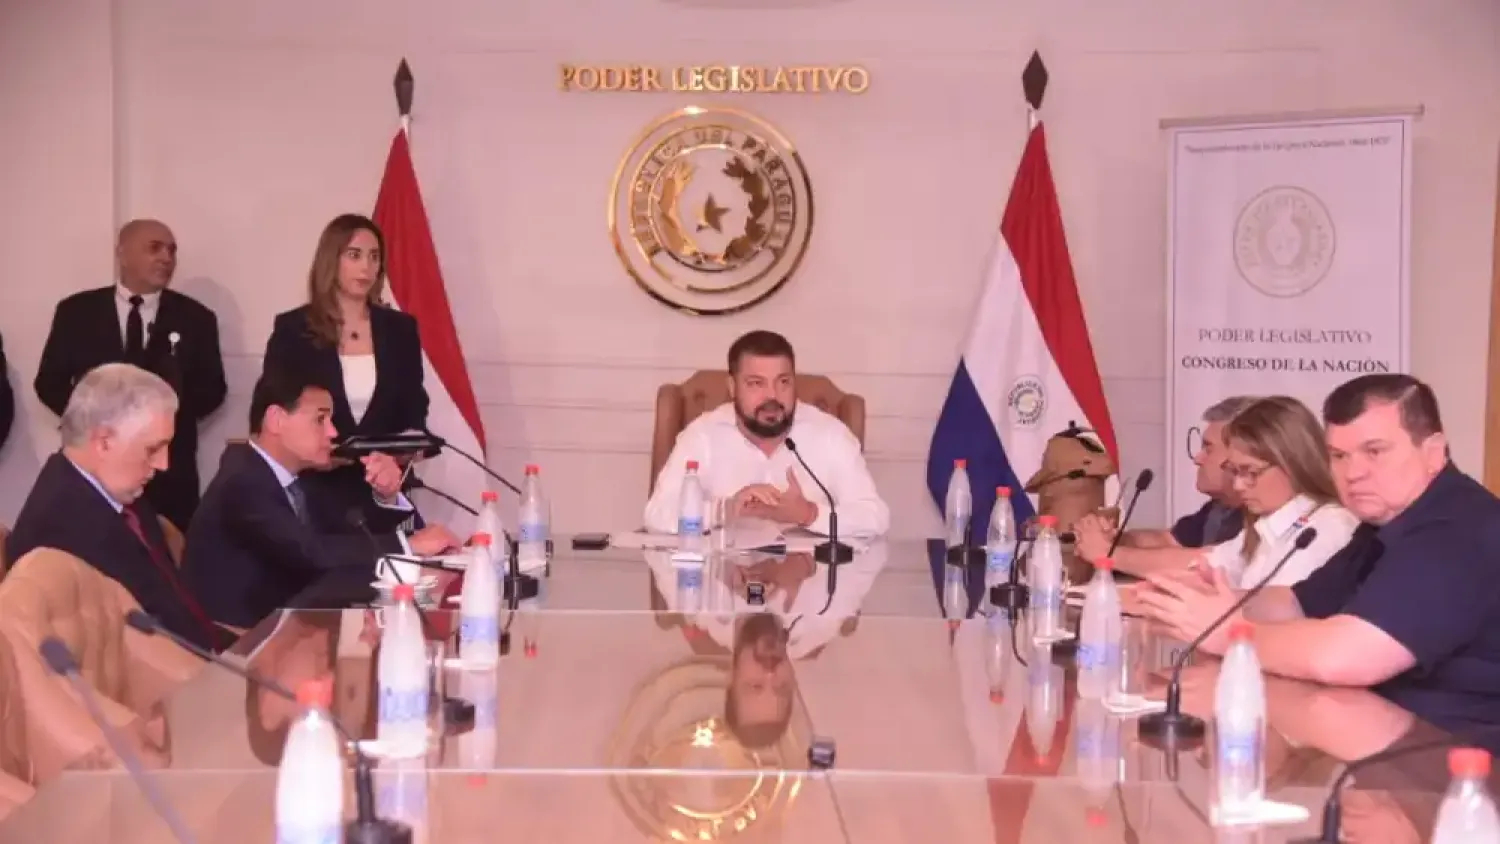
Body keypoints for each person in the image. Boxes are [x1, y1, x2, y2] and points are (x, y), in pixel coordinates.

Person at [1137, 374, 1500, 733]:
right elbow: (1296, 602)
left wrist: (1228, 633)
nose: (1353, 473)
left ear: (1433, 451)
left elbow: (1348, 656)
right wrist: (1204, 601)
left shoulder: (1458, 529)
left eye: (1374, 451)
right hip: (1378, 738)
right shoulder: (1382, 523)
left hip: (1457, 757)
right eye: (1339, 456)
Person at [181, 368, 458, 629]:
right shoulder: (244, 481)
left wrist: (386, 497)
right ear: (276, 419)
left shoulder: (295, 479)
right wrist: (409, 545)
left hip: (296, 624)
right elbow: (311, 553)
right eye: (320, 419)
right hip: (242, 640)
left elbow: (345, 539)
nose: (333, 432)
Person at [6, 363, 230, 652]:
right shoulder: (62, 528)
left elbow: (171, 602)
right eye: (152, 449)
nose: (164, 464)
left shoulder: (116, 491)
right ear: (104, 442)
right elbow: (137, 644)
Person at [33, 220, 227, 530]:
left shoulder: (196, 318)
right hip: (95, 468)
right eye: (155, 248)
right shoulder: (76, 312)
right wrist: (92, 423)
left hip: (169, 476)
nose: (166, 258)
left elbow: (213, 390)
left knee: (167, 554)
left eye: (172, 251)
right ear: (122, 254)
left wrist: (163, 422)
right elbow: (49, 382)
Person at [262, 213, 428, 523]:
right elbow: (269, 411)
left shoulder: (400, 329)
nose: (366, 267)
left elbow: (414, 407)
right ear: (331, 260)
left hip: (382, 491)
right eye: (354, 255)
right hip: (313, 491)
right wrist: (312, 455)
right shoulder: (294, 328)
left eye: (374, 257)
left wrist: (404, 452)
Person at [644, 330, 889, 537]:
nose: (772, 395)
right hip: (725, 577)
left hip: (811, 577)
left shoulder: (830, 435)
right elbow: (657, 514)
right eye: (756, 383)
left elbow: (874, 517)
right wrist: (725, 510)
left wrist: (809, 514)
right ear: (732, 387)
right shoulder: (704, 435)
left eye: (783, 382)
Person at [1074, 396, 1255, 576]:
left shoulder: (1258, 512)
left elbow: (1205, 563)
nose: (1198, 459)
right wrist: (1115, 539)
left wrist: (1108, 553)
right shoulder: (1220, 508)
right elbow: (1168, 541)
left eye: (1208, 449)